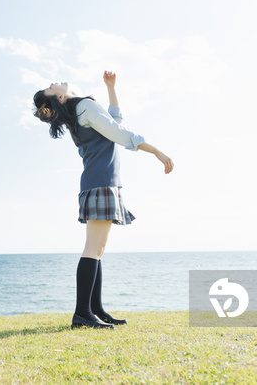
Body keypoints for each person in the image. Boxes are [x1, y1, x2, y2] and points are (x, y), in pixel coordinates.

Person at [32, 71, 174, 329]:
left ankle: (94, 310)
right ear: (61, 97)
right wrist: (156, 151)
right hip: (100, 183)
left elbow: (112, 122)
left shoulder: (79, 112)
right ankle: (83, 315)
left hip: (99, 182)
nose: (52, 83)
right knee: (92, 249)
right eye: (50, 88)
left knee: (98, 250)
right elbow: (118, 132)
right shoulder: (84, 107)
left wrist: (111, 88)